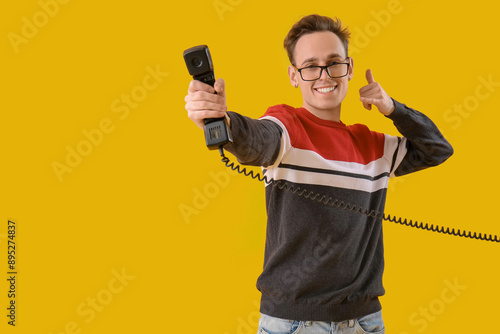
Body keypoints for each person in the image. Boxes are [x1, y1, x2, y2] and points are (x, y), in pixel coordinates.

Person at [184, 14, 453, 334]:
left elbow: (437, 148)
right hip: (294, 322)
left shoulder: (373, 145)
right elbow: (257, 140)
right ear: (294, 76)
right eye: (310, 66)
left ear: (349, 68)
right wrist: (224, 122)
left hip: (364, 322)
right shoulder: (285, 126)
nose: (324, 75)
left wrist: (391, 106)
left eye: (333, 62)